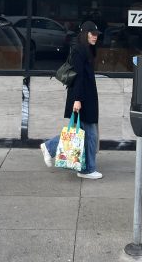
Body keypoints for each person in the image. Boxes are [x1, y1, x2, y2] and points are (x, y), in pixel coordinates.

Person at [40, 21, 102, 180]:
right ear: (85, 33)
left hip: (87, 97)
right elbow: (78, 78)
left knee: (84, 134)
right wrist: (77, 100)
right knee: (88, 134)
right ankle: (51, 148)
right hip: (81, 98)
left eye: (96, 34)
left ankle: (85, 168)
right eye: (92, 33)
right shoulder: (78, 51)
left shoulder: (87, 50)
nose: (95, 37)